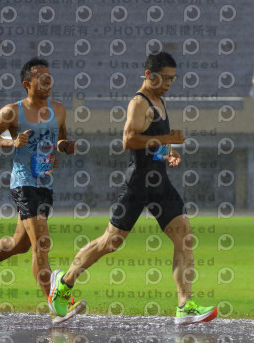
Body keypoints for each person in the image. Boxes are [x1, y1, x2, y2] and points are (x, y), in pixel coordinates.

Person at [49, 52, 217, 325]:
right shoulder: (138, 103)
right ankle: (63, 284)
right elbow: (129, 140)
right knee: (110, 242)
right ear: (148, 75)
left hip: (160, 183)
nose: (168, 84)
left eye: (172, 79)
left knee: (184, 238)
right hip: (138, 184)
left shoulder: (160, 102)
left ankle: (184, 306)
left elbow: (151, 141)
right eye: (163, 78)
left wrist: (168, 152)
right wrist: (168, 137)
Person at [0, 57, 85, 325]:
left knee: (20, 244)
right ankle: (56, 305)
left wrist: (65, 146)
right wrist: (12, 142)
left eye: (49, 75)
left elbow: (59, 138)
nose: (47, 79)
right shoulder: (12, 111)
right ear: (27, 83)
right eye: (40, 76)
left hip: (45, 183)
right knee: (41, 243)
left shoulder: (59, 109)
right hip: (23, 182)